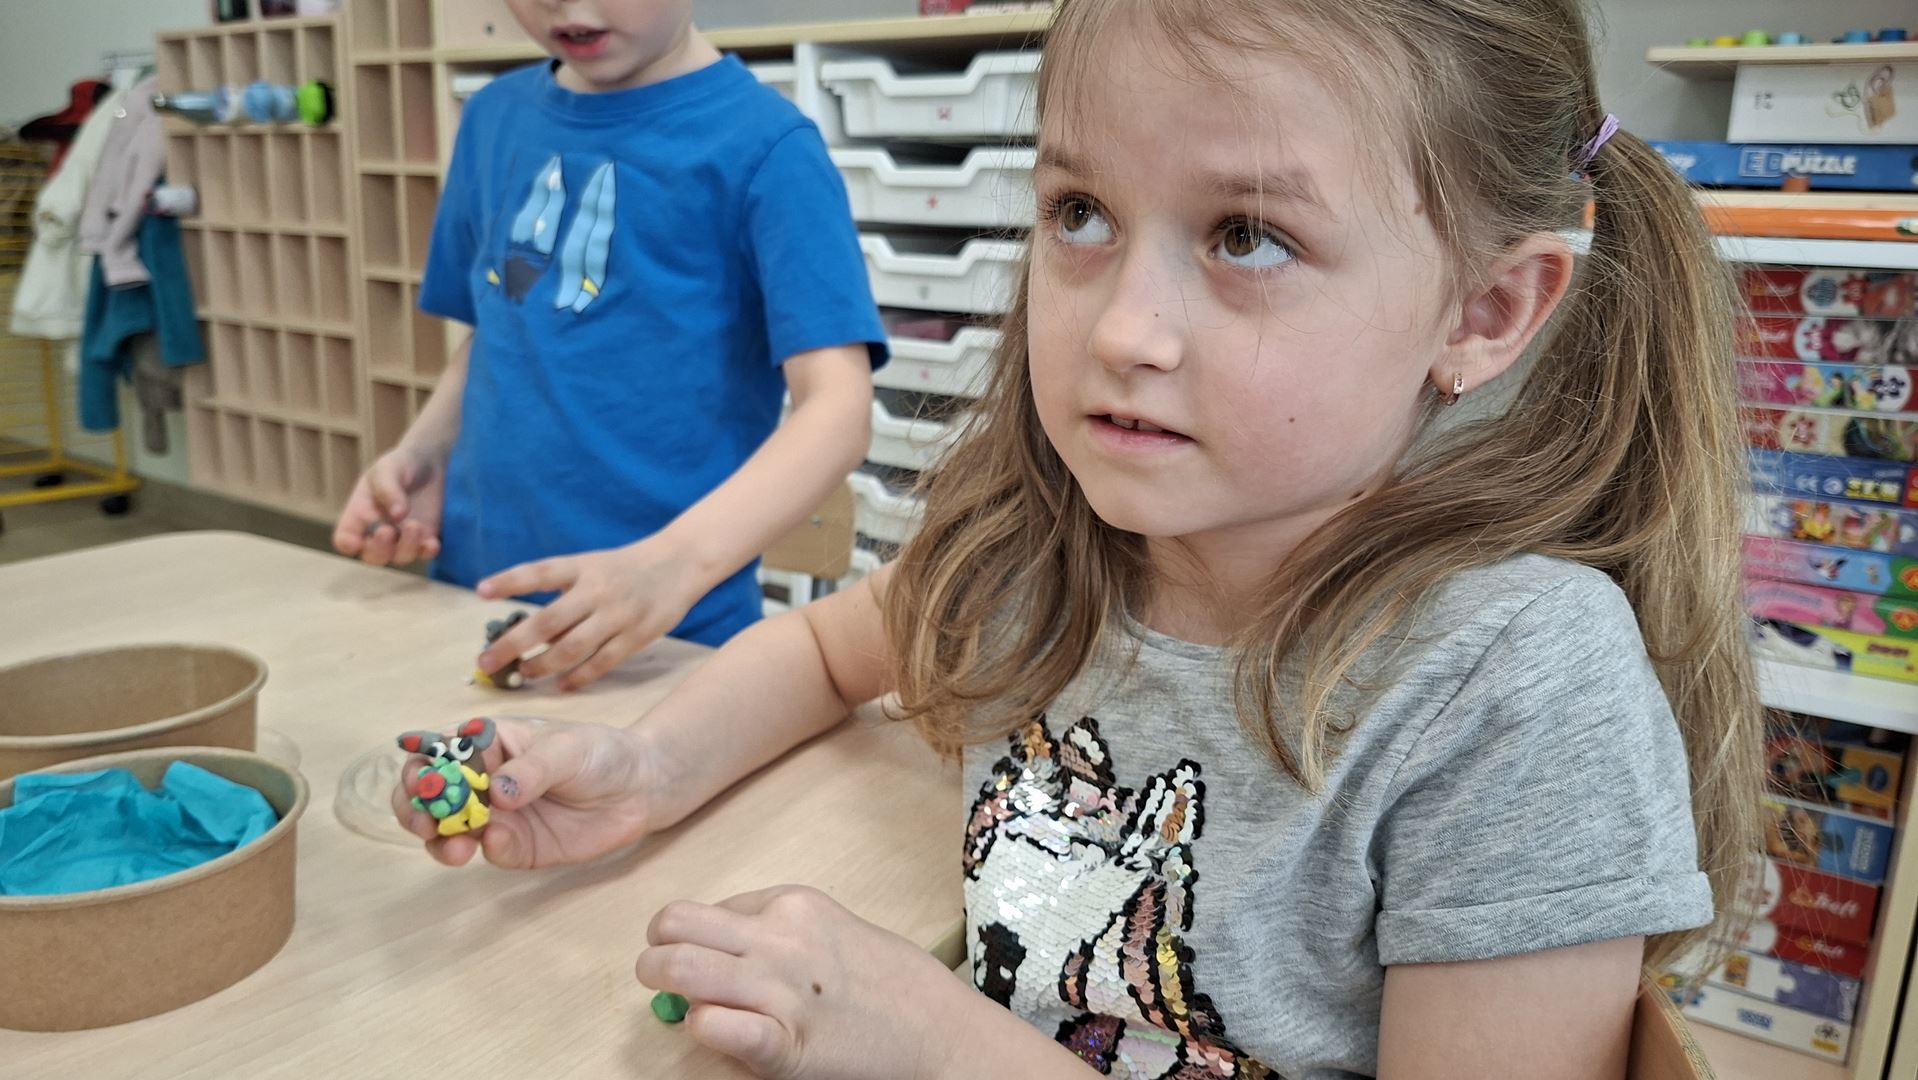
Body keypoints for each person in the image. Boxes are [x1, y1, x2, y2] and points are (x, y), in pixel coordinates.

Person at [394, 0, 1764, 1075]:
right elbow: (820, 652)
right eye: (1081, 214)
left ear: (1483, 312)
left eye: (1248, 237)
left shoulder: (1515, 688)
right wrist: (644, 769)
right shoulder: (1041, 551)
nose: (1120, 331)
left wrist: (937, 1045)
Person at [332, 0, 885, 690]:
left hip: (667, 644)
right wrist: (424, 452)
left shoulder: (770, 148)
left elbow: (837, 410)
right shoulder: (492, 117)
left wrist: (672, 565)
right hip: (476, 604)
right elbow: (501, 325)